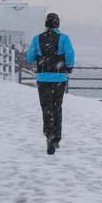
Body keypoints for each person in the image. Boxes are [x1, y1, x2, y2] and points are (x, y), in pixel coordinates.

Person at [26, 13, 75, 155]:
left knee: (46, 108)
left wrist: (40, 55)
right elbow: (70, 54)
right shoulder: (64, 38)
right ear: (58, 24)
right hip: (59, 78)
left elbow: (29, 57)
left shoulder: (37, 38)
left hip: (43, 78)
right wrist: (69, 67)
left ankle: (49, 136)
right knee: (57, 107)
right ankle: (56, 138)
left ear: (46, 24)